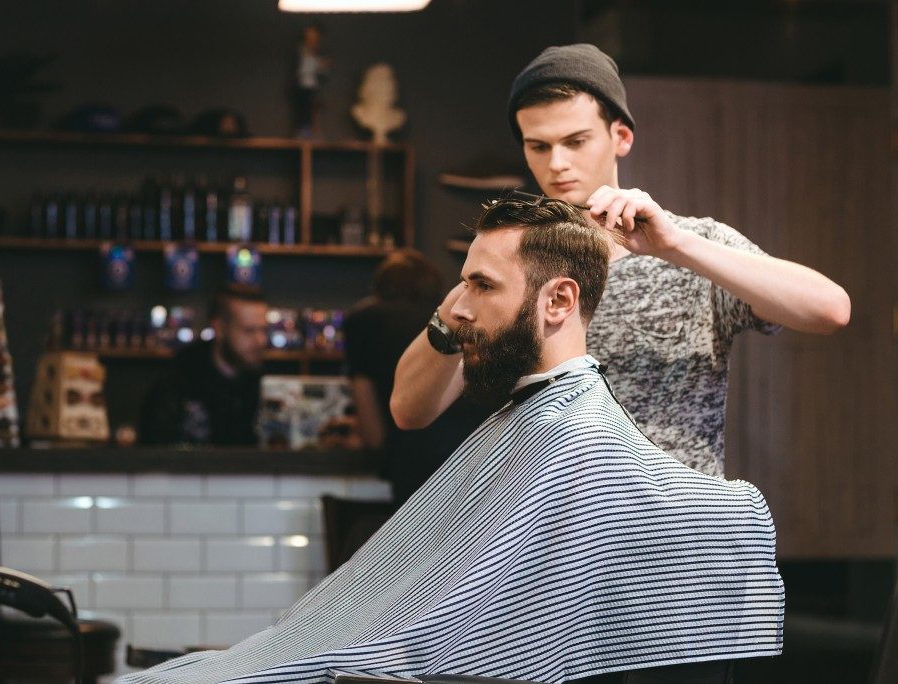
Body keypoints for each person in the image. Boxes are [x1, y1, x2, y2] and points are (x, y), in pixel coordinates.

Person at [117, 198, 783, 684]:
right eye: (461, 282)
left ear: (557, 302)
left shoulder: (573, 440)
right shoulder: (529, 418)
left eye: (480, 286)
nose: (455, 309)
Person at [391, 43, 851, 477]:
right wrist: (477, 289)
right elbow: (409, 411)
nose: (557, 164)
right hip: (558, 532)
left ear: (621, 136)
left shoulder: (693, 245)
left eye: (576, 141)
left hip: (669, 531)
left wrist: (678, 248)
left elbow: (830, 310)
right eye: (539, 146)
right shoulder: (511, 264)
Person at [344, 249, 496, 504]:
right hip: (482, 463)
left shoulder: (363, 321)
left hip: (415, 466)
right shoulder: (462, 316)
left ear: (379, 288)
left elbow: (374, 434)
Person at [139, 285, 267, 446]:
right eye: (249, 331)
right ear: (219, 328)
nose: (260, 341)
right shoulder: (179, 378)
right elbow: (154, 449)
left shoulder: (267, 381)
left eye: (263, 330)